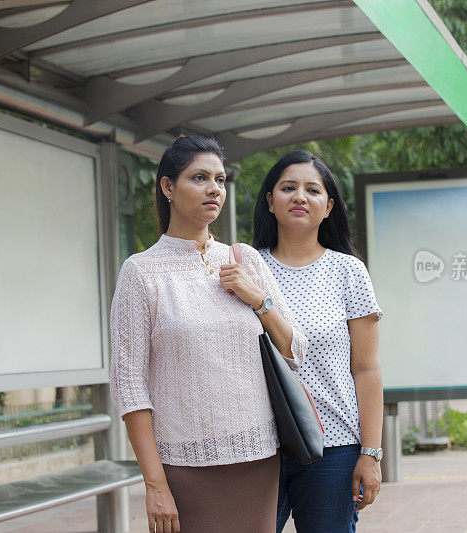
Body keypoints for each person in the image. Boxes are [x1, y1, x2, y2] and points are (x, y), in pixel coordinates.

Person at [109, 136, 307, 533]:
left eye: (218, 179)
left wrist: (257, 298)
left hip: (258, 456)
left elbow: (294, 349)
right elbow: (129, 386)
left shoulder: (243, 258)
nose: (214, 188)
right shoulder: (140, 272)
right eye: (199, 177)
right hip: (183, 465)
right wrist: (155, 484)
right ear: (168, 187)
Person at [253, 150, 384, 533]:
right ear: (270, 201)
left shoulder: (349, 272)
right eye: (288, 188)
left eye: (312, 190)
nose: (299, 197)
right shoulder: (246, 267)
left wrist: (370, 454)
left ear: (327, 207)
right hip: (260, 447)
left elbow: (367, 368)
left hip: (335, 449)